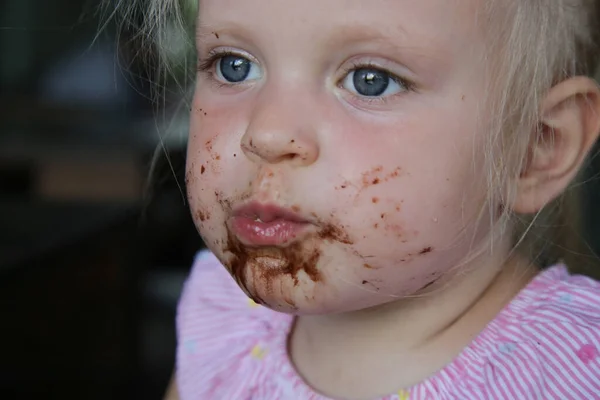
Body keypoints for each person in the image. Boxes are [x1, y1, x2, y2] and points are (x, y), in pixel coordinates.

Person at [117, 0, 600, 398]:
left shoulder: (574, 370)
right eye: (233, 66)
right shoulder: (224, 321)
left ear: (538, 146)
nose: (266, 133)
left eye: (371, 79)